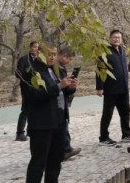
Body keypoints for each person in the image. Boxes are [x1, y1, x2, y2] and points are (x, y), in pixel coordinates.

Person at [24, 45, 78, 183]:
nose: (52, 57)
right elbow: (34, 96)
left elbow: (60, 93)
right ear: (39, 54)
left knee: (55, 161)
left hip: (59, 121)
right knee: (38, 162)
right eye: (49, 54)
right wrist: (59, 86)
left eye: (54, 54)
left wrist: (70, 88)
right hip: (42, 124)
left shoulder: (56, 69)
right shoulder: (32, 71)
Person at [96, 29, 130, 146]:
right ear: (110, 38)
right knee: (107, 113)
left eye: (119, 37)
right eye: (115, 37)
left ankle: (126, 134)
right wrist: (99, 87)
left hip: (123, 88)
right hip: (110, 88)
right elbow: (100, 70)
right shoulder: (105, 52)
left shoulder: (123, 50)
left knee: (126, 112)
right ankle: (103, 137)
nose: (117, 39)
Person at [57, 46, 81, 160]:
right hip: (56, 103)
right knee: (61, 127)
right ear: (63, 56)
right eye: (69, 59)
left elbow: (66, 89)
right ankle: (64, 149)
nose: (70, 62)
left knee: (64, 125)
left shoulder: (62, 68)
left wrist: (72, 87)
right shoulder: (55, 68)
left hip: (63, 101)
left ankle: (66, 149)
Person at [16, 41, 39, 141]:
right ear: (30, 47)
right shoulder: (24, 59)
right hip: (26, 87)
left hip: (37, 87)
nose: (36, 49)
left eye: (37, 47)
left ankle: (31, 130)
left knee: (35, 109)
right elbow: (18, 73)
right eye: (34, 47)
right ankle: (20, 133)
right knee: (25, 109)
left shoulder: (40, 60)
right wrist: (29, 74)